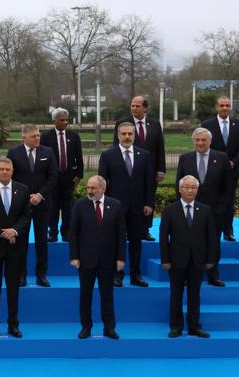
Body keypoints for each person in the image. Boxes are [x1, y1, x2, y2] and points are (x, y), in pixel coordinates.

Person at [97, 122, 155, 287]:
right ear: (118, 135)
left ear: (134, 135)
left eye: (130, 133)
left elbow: (149, 182)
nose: (127, 137)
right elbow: (102, 183)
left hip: (138, 207)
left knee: (136, 243)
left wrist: (149, 203)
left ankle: (136, 275)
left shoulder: (144, 155)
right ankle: (117, 274)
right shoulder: (108, 155)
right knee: (116, 242)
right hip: (115, 208)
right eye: (123, 134)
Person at [159, 176, 217, 338]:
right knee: (176, 294)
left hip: (198, 261)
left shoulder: (205, 210)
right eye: (187, 187)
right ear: (180, 189)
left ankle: (194, 326)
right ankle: (176, 326)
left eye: (193, 187)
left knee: (194, 295)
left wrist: (210, 259)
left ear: (197, 190)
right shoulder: (170, 210)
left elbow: (211, 237)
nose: (190, 190)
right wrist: (165, 259)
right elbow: (164, 237)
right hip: (176, 261)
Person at [69, 176, 126, 340]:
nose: (89, 191)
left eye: (93, 188)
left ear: (103, 188)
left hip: (107, 260)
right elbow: (73, 233)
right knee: (85, 295)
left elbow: (121, 234)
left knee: (107, 295)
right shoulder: (80, 205)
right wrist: (74, 256)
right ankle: (86, 327)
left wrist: (120, 258)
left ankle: (109, 327)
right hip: (85, 260)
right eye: (88, 188)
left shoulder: (115, 205)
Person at [0, 159, 31, 338]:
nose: (4, 172)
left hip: (16, 247)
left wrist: (14, 231)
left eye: (7, 169)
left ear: (12, 171)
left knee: (13, 288)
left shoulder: (23, 190)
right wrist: (2, 232)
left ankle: (13, 325)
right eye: (1, 169)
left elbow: (26, 216)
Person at [175, 128, 231, 286]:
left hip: (215, 211)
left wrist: (223, 208)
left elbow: (228, 187)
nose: (200, 143)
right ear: (193, 141)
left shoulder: (221, 158)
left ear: (210, 141)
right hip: (190, 210)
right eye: (197, 140)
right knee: (189, 242)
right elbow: (178, 185)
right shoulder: (185, 158)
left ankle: (213, 275)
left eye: (203, 140)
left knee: (214, 243)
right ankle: (189, 275)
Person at [6, 124, 56, 287]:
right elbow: (9, 178)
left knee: (42, 241)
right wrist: (23, 197)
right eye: (34, 136)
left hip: (42, 204)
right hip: (21, 206)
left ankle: (41, 275)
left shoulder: (47, 152)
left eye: (38, 135)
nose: (37, 138)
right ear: (24, 138)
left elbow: (53, 177)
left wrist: (40, 195)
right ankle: (21, 275)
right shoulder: (13, 153)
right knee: (21, 242)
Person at [116, 96, 165, 241]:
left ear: (145, 108)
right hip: (129, 169)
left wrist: (161, 169)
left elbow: (160, 148)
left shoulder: (155, 124)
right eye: (132, 106)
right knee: (127, 199)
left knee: (147, 198)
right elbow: (116, 147)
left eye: (137, 106)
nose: (134, 109)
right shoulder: (123, 123)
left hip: (150, 170)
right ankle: (124, 229)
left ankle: (144, 230)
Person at [202, 96, 239, 241]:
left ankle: (228, 231)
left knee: (228, 201)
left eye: (227, 105)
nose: (225, 108)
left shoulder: (238, 124)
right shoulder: (207, 124)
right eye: (222, 105)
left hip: (232, 171)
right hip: (212, 171)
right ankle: (209, 229)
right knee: (211, 201)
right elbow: (203, 146)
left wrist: (234, 162)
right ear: (216, 107)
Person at [41, 108, 84, 241]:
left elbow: (79, 157)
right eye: (62, 120)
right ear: (54, 121)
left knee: (68, 206)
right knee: (52, 206)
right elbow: (42, 157)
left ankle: (67, 232)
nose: (65, 122)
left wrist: (79, 175)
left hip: (69, 177)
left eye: (66, 120)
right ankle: (52, 232)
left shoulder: (74, 136)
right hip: (52, 178)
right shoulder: (46, 137)